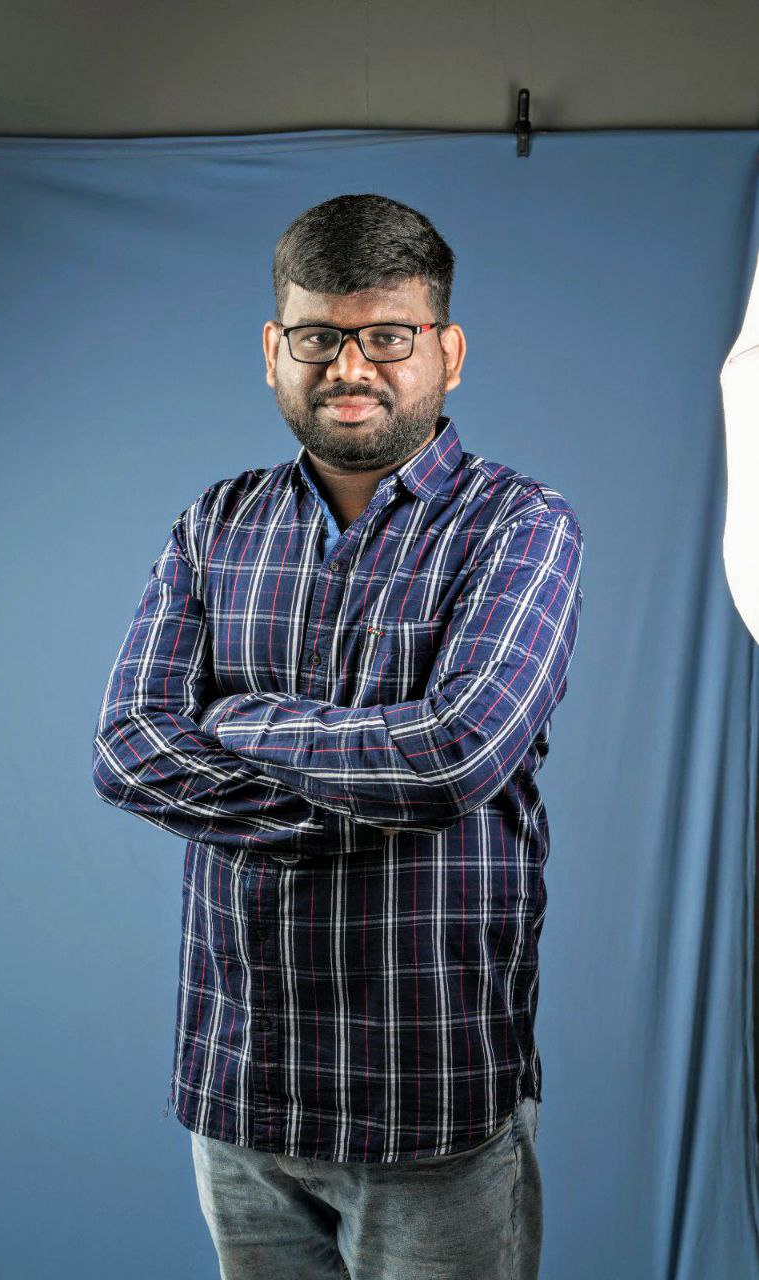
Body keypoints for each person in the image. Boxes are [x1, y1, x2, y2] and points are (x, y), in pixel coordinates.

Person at [92, 193, 585, 1280]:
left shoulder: (520, 526)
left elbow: (454, 754)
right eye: (318, 337)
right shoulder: (212, 524)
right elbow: (128, 744)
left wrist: (238, 717)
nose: (349, 365)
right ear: (274, 349)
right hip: (240, 1090)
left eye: (386, 337)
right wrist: (363, 809)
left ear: (444, 351)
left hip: (428, 1100)